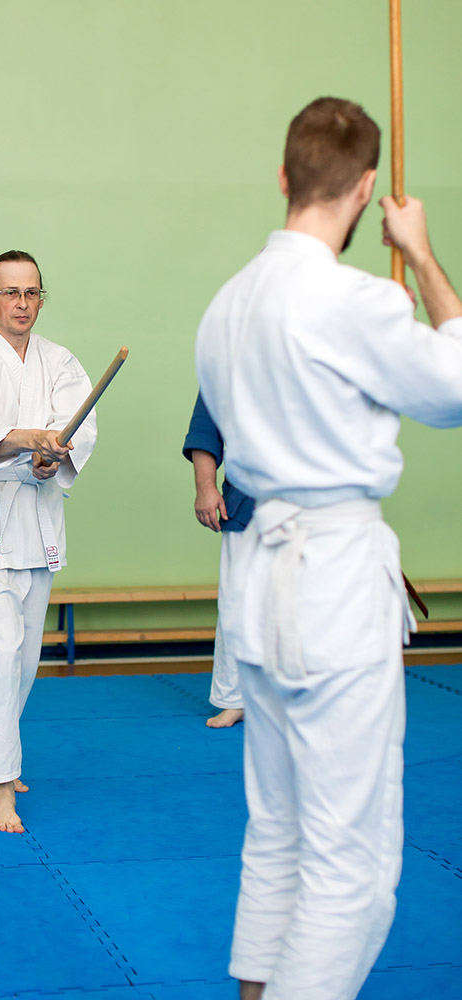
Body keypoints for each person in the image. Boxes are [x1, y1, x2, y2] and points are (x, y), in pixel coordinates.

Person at [195, 97, 462, 1000]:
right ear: (366, 187)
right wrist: (420, 251)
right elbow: (457, 387)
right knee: (353, 867)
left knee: (277, 833)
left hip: (260, 580)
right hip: (335, 583)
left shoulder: (227, 305)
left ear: (282, 175)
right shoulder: (354, 300)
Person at [0, 250, 96, 834]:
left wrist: (51, 458)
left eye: (32, 292)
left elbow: (79, 428)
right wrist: (35, 440)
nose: (23, 303)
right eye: (10, 292)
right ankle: (1, 787)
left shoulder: (61, 361)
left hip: (37, 517)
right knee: (0, 649)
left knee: (25, 655)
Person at [183, 392, 253, 727]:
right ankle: (235, 698)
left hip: (316, 503)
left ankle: (312, 696)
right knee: (239, 603)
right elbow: (206, 426)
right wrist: (205, 486)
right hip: (250, 499)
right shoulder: (227, 362)